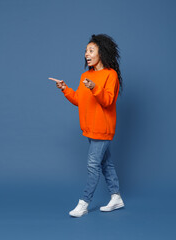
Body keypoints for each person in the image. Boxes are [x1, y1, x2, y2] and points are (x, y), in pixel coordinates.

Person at [49, 34, 124, 217]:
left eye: (91, 50)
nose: (86, 54)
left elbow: (107, 100)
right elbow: (80, 101)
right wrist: (65, 89)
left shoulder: (110, 75)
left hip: (102, 129)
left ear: (102, 53)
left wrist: (94, 87)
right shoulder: (86, 75)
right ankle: (116, 197)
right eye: (85, 51)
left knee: (92, 165)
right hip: (89, 128)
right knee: (106, 163)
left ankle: (84, 203)